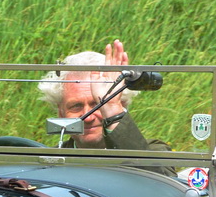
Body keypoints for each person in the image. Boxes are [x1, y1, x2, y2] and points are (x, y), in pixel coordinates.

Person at [37, 40, 168, 151]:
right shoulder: (46, 162)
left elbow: (154, 176)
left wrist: (111, 107)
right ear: (61, 113)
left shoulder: (155, 152)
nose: (87, 117)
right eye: (76, 106)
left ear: (122, 105)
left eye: (98, 104)